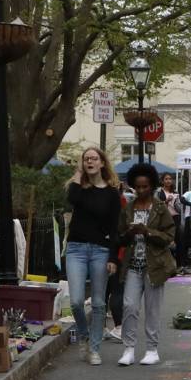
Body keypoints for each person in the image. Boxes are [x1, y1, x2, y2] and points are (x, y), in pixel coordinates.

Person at [63, 146, 122, 364]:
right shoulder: (78, 188)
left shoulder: (112, 194)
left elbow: (115, 228)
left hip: (100, 250)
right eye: (86, 159)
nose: (90, 162)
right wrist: (78, 173)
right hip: (76, 249)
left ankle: (94, 349)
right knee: (77, 301)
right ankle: (84, 336)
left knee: (98, 303)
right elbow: (73, 200)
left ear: (102, 163)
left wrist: (113, 258)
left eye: (94, 158)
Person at [115, 162, 177, 368]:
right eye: (137, 187)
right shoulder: (128, 209)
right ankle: (129, 349)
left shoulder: (160, 208)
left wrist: (148, 231)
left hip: (155, 266)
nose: (141, 190)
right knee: (129, 306)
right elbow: (120, 237)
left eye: (145, 186)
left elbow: (169, 236)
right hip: (133, 265)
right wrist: (129, 233)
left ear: (152, 186)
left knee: (152, 309)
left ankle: (152, 349)